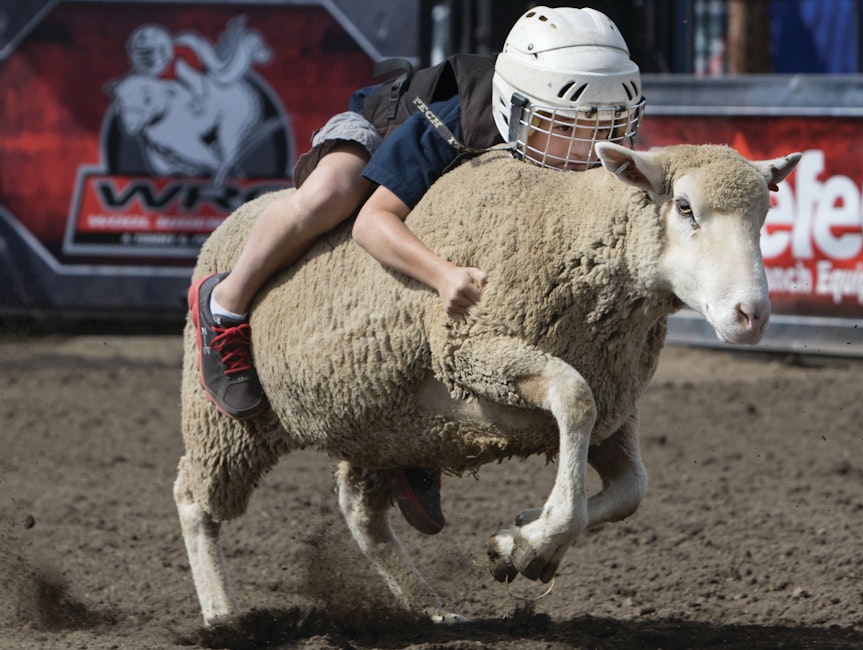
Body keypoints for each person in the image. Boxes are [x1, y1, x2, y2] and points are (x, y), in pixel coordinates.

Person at [188, 6, 645, 535]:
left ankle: (412, 443)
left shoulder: (571, 140)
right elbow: (372, 223)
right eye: (564, 126)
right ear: (517, 108)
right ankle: (225, 302)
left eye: (604, 127)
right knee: (334, 192)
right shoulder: (455, 123)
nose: (584, 148)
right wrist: (443, 274)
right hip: (380, 126)